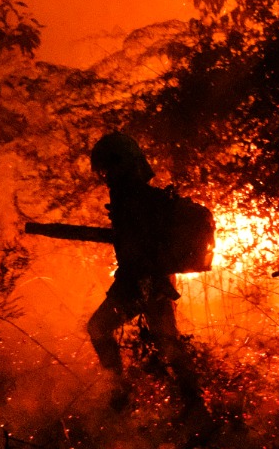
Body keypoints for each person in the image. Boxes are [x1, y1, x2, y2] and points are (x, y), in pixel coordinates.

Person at [84, 132, 202, 413]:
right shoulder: (136, 197)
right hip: (144, 280)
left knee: (101, 328)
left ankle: (120, 396)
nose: (106, 176)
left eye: (108, 168)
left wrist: (146, 284)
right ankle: (193, 405)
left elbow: (141, 246)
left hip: (143, 282)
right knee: (168, 344)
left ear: (122, 165)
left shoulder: (136, 199)